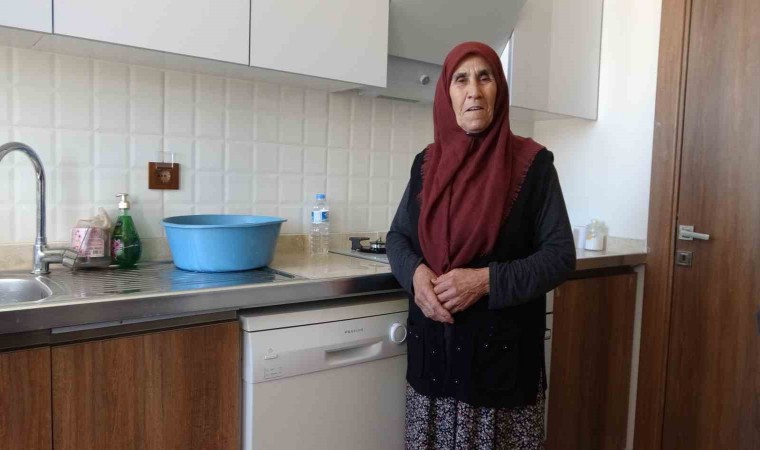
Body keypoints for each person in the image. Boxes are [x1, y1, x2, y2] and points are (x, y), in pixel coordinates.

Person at [386, 41, 576, 449]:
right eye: (461, 79)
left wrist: (484, 281)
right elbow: (397, 237)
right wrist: (415, 274)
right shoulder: (426, 164)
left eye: (484, 77)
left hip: (500, 372)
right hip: (433, 365)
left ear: (498, 90)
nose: (473, 90)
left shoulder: (534, 165)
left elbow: (559, 257)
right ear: (447, 94)